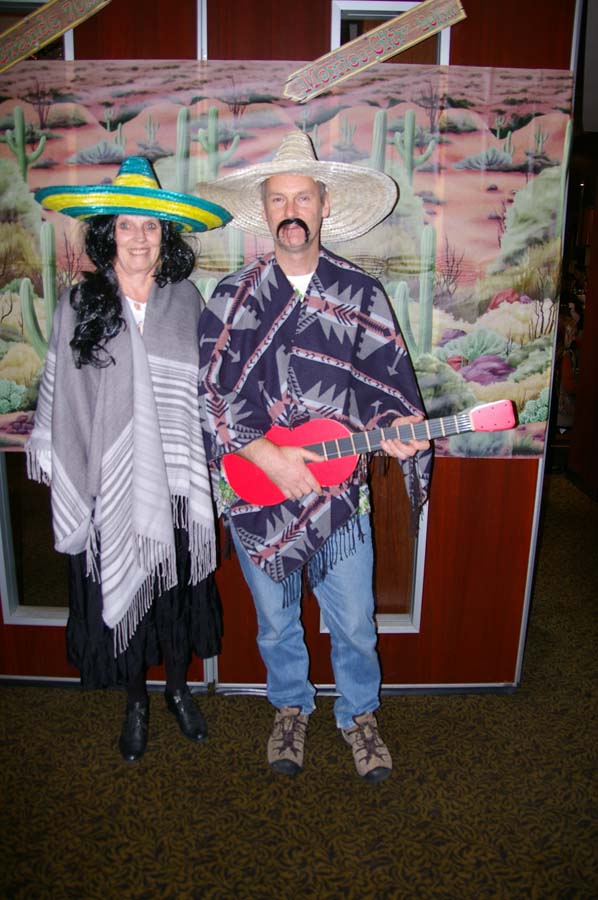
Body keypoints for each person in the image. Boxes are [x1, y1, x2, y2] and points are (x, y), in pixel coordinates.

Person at [197, 132, 433, 782]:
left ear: (325, 205)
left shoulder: (361, 294)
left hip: (339, 495)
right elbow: (209, 394)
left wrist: (396, 429)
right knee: (275, 624)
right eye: (279, 198)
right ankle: (290, 708)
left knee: (354, 624)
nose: (291, 210)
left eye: (303, 196)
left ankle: (359, 715)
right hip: (256, 490)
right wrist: (270, 457)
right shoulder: (232, 296)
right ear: (264, 208)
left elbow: (387, 390)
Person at [27, 156, 231, 762]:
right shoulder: (80, 303)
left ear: (166, 235)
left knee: (174, 594)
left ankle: (177, 691)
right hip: (108, 482)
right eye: (125, 225)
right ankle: (136, 700)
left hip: (174, 484)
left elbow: (203, 392)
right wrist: (83, 477)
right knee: (127, 601)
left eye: (151, 226)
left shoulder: (185, 300)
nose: (139, 238)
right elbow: (66, 400)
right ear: (106, 232)